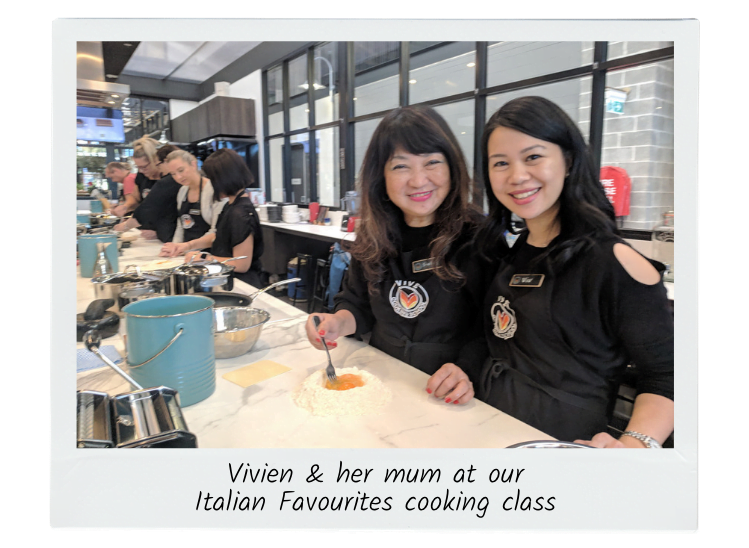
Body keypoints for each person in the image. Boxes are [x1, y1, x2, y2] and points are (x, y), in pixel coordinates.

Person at [437, 96, 674, 447]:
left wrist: (634, 445)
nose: (517, 176)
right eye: (500, 163)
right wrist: (464, 370)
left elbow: (667, 375)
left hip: (561, 445)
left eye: (533, 157)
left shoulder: (613, 260)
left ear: (568, 159)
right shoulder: (513, 250)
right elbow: (497, 338)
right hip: (488, 428)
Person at [304, 105, 488, 391]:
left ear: (452, 166)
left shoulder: (479, 236)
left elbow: (494, 329)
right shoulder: (373, 233)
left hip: (449, 386)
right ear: (382, 176)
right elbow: (357, 303)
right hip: (382, 377)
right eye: (401, 166)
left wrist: (467, 368)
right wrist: (338, 322)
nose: (418, 180)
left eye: (432, 162)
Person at [182, 148, 265, 288]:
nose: (210, 184)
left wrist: (205, 259)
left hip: (242, 284)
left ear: (223, 179)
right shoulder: (231, 205)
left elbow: (241, 264)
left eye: (212, 180)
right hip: (228, 279)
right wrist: (189, 246)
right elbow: (221, 237)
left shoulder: (240, 213)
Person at [158, 149, 226, 257]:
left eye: (181, 170)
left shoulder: (213, 190)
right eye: (173, 174)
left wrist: (186, 247)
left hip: (209, 256)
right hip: (188, 255)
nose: (178, 177)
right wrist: (174, 247)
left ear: (193, 165)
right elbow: (181, 225)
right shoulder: (182, 191)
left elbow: (216, 232)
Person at [113, 144, 182, 242]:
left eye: (158, 164)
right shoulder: (165, 180)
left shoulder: (168, 181)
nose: (159, 169)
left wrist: (124, 227)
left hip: (171, 237)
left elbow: (147, 209)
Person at [111, 137, 162, 217]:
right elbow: (135, 197)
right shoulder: (141, 176)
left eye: (144, 167)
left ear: (154, 161)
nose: (141, 171)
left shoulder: (166, 178)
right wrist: (125, 206)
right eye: (138, 167)